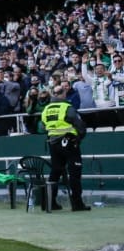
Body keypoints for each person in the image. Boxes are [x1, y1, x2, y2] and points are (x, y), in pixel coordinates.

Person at [41, 83, 90, 211]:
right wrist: (78, 138)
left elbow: (42, 126)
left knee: (55, 172)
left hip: (53, 143)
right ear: (63, 94)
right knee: (74, 172)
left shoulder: (46, 109)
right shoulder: (67, 107)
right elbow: (79, 124)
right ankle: (77, 204)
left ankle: (50, 202)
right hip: (69, 142)